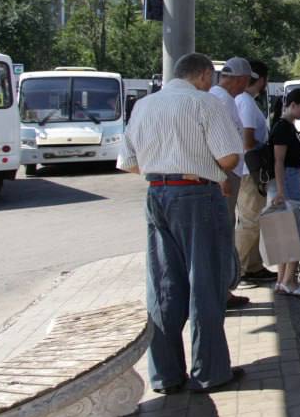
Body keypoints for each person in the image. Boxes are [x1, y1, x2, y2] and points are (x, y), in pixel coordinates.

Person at [117, 51, 245, 395]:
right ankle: (210, 372)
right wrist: (198, 168)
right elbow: (229, 157)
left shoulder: (144, 106)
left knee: (163, 284)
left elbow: (129, 162)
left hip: (156, 194)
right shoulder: (205, 104)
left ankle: (165, 374)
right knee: (205, 281)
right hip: (197, 196)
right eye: (212, 77)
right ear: (204, 75)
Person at [210, 57, 252, 309]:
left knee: (225, 231)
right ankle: (222, 291)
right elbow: (216, 142)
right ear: (237, 79)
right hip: (225, 176)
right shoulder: (220, 100)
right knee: (223, 233)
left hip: (228, 173)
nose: (245, 86)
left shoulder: (224, 98)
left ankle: (223, 288)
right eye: (245, 81)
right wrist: (221, 176)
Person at [268, 87, 300, 295]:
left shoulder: (286, 126)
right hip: (287, 181)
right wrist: (280, 190)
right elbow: (278, 161)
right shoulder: (283, 128)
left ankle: (282, 280)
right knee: (297, 230)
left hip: (290, 179)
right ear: (292, 105)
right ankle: (289, 281)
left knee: (284, 231)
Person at [235, 61, 274, 282]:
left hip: (245, 170)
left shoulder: (242, 101)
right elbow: (247, 140)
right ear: (261, 80)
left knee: (253, 220)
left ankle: (253, 266)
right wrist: (267, 147)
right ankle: (235, 270)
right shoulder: (247, 104)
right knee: (250, 222)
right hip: (250, 171)